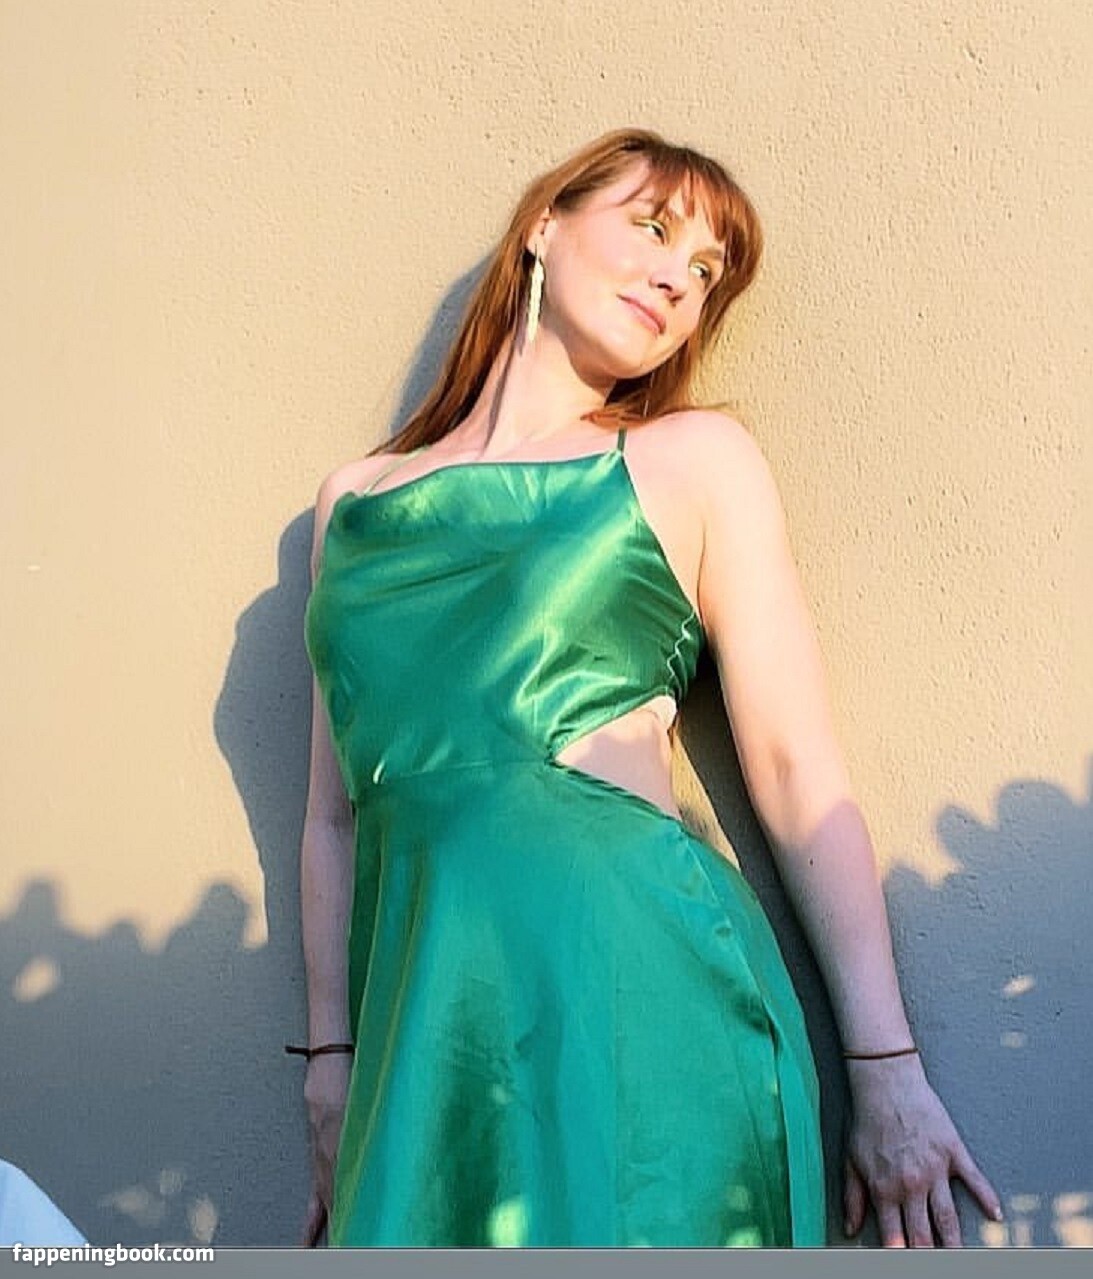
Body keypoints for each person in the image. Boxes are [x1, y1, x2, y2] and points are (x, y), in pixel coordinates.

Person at [296, 128, 1002, 1248]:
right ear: (544, 227)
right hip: (427, 1033)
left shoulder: (690, 459)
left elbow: (793, 768)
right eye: (654, 227)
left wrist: (886, 1069)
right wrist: (331, 1065)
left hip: (641, 999)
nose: (679, 277)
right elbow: (335, 818)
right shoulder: (352, 504)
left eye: (706, 270)